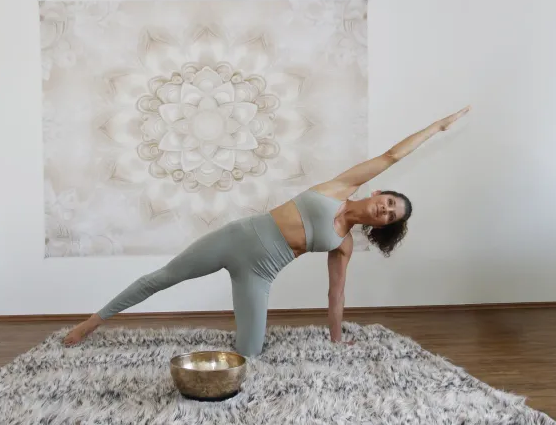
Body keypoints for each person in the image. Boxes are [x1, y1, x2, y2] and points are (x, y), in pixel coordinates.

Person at [63, 106, 471, 355]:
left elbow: (336, 294)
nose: (385, 211)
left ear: (383, 226)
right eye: (390, 203)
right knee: (162, 277)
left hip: (258, 274)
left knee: (250, 352)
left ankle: (237, 341)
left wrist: (335, 338)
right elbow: (392, 154)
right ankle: (90, 323)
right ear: (379, 193)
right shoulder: (342, 186)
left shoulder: (343, 245)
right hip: (235, 238)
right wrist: (437, 127)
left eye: (391, 217)